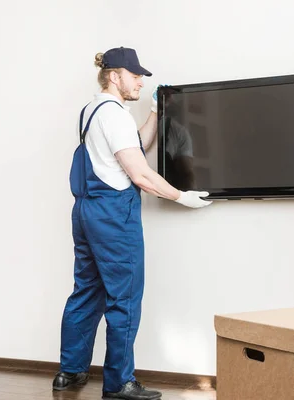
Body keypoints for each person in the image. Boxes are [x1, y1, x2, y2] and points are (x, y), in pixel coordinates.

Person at [53, 47, 211, 400]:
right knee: (123, 298)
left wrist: (154, 112)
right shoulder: (115, 115)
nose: (141, 80)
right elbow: (140, 174)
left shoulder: (92, 111)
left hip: (86, 212)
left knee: (86, 291)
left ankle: (70, 371)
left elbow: (132, 147)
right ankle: (119, 383)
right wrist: (182, 196)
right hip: (113, 215)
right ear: (114, 76)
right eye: (135, 74)